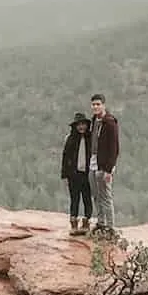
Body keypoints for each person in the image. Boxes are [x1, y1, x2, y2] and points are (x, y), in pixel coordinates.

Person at [88, 92, 120, 237]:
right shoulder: (94, 120)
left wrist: (109, 169)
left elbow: (114, 148)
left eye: (98, 104)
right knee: (96, 194)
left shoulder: (110, 123)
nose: (95, 107)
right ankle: (101, 223)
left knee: (106, 195)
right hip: (93, 162)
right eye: (93, 104)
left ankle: (111, 227)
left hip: (104, 165)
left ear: (103, 105)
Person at [61, 111, 93, 234]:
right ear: (75, 126)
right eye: (79, 125)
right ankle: (73, 224)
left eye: (83, 124)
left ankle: (86, 222)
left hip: (87, 174)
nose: (81, 127)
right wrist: (65, 174)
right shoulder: (70, 139)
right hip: (74, 175)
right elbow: (65, 157)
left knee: (87, 198)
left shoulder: (91, 139)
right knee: (74, 198)